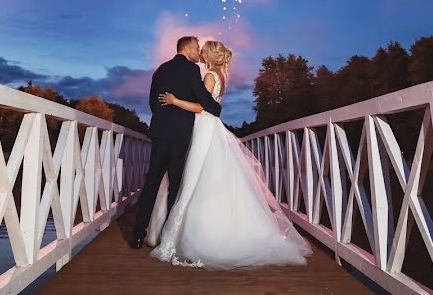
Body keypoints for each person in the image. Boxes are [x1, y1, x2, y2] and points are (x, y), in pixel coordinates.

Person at [145, 40, 312, 269]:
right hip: (211, 128)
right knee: (203, 176)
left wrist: (175, 101)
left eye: (204, 51)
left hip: (204, 127)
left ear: (212, 56)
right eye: (198, 50)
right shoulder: (219, 76)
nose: (200, 53)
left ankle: (194, 235)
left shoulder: (210, 76)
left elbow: (201, 107)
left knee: (194, 176)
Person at [129, 35, 222, 249]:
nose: (198, 52)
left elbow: (153, 102)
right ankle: (168, 236)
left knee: (151, 182)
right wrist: (215, 109)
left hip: (160, 131)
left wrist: (165, 117)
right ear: (187, 48)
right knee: (175, 184)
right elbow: (201, 96)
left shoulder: (160, 69)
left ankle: (137, 235)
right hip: (181, 134)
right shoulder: (191, 70)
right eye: (197, 48)